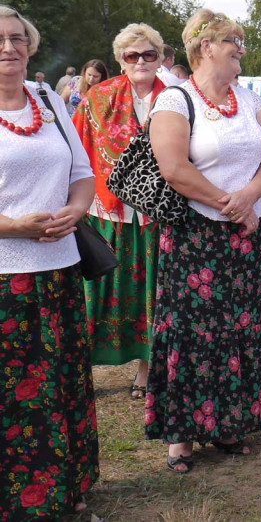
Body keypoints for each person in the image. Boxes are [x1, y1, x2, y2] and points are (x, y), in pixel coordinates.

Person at [146, 9, 261, 472]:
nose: (242, 49)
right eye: (234, 42)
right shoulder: (174, 100)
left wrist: (248, 199)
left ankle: (227, 424)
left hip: (247, 235)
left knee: (240, 330)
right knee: (194, 334)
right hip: (195, 238)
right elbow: (174, 168)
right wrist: (232, 204)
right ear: (206, 47)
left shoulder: (248, 101)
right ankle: (182, 436)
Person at [0, 5, 99, 518]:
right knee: (14, 395)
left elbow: (82, 171)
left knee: (61, 383)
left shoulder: (47, 99)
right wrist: (12, 225)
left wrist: (77, 210)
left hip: (59, 269)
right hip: (6, 277)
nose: (8, 48)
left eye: (17, 39)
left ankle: (67, 491)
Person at [72, 23, 168, 401]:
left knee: (153, 295)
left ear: (161, 58)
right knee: (97, 295)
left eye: (149, 54)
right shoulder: (97, 97)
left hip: (158, 215)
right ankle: (83, 372)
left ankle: (146, 370)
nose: (141, 61)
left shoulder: (177, 97)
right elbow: (76, 151)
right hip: (106, 214)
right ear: (120, 61)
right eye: (133, 55)